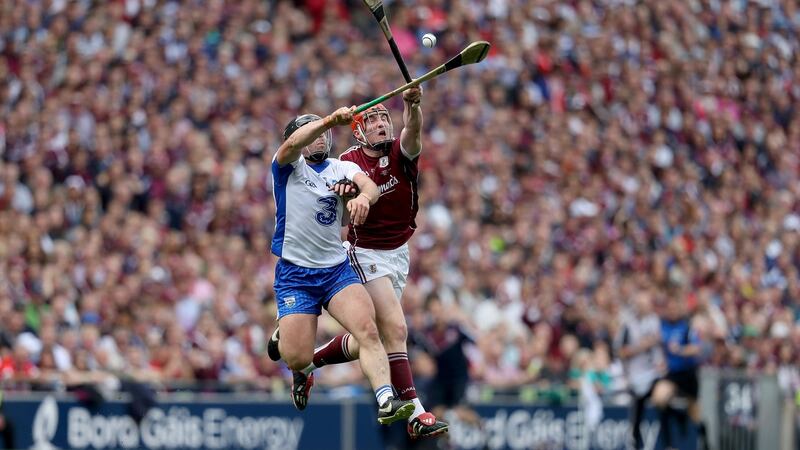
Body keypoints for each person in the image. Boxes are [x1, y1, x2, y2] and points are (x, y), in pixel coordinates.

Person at [269, 87, 449, 439]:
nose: (318, 140)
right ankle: (307, 368)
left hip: (340, 268)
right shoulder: (287, 167)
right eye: (310, 134)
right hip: (301, 272)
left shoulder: (342, 167)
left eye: (385, 118)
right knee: (298, 356)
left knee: (372, 332)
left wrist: (363, 198)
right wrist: (324, 121)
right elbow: (291, 145)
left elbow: (369, 185)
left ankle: (387, 401)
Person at [651, 297, 708, 450]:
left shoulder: (687, 326)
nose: (672, 311)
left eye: (675, 308)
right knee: (659, 398)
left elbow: (696, 348)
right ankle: (669, 444)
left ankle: (706, 442)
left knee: (695, 414)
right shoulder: (662, 326)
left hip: (688, 373)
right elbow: (660, 347)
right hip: (672, 373)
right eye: (669, 309)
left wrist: (681, 350)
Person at [614, 290, 664, 450]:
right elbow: (620, 351)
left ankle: (667, 442)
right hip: (636, 377)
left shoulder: (656, 322)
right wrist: (642, 346)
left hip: (655, 374)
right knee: (636, 413)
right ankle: (635, 444)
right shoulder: (628, 326)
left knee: (662, 403)